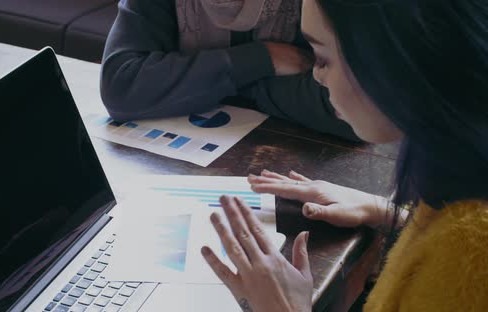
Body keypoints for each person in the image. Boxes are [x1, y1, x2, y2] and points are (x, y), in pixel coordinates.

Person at [201, 0, 488, 311]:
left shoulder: (472, 254)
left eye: (323, 59)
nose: (317, 76)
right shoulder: (461, 184)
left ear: (398, 56)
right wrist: (386, 212)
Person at [100, 0, 360, 141]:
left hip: (307, 166)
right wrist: (262, 59)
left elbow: (354, 109)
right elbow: (121, 86)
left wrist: (200, 82)